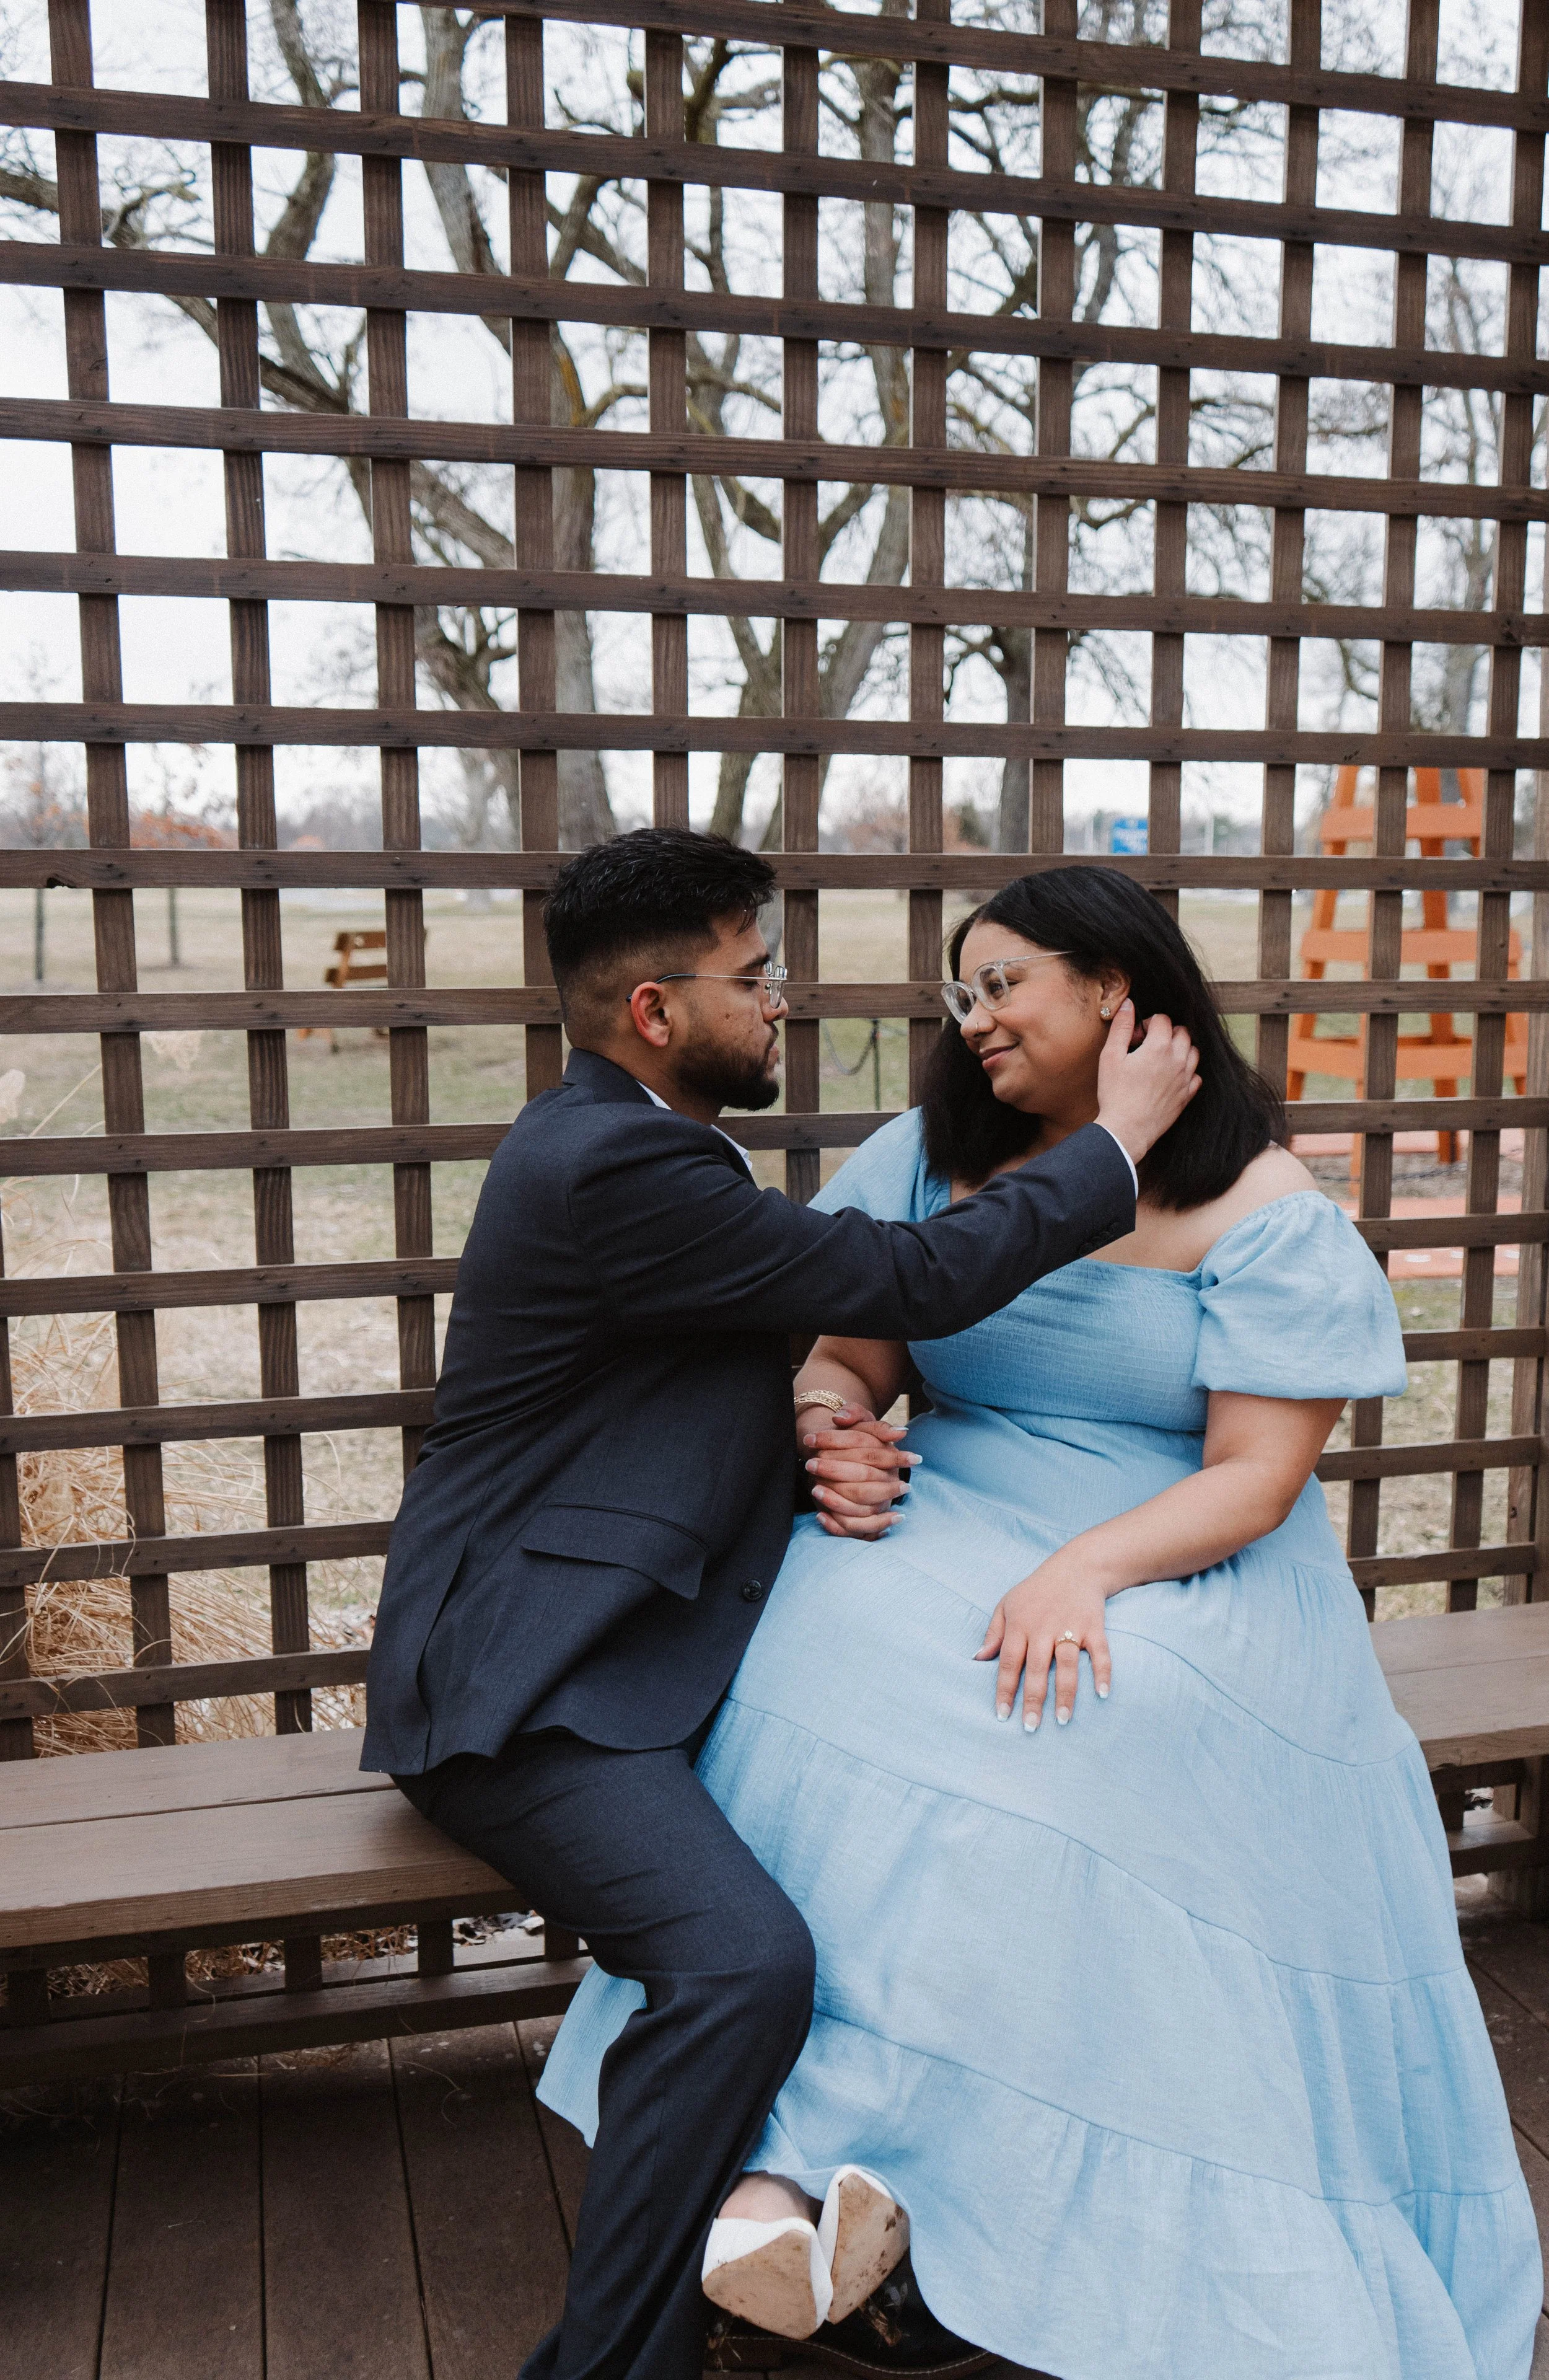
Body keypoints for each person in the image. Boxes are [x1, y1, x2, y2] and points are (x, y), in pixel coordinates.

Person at [539, 864, 1542, 2380]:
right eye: (965, 990)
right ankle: (793, 2155)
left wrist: (1085, 1571)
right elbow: (848, 1352)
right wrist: (827, 1421)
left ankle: (916, 2173)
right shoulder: (924, 1155)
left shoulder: (1265, 1209)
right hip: (954, 1507)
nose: (975, 1017)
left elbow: (1256, 1475)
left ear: (1115, 992)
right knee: (811, 1648)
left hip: (1180, 1547)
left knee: (1078, 1722)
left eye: (1004, 983)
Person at [361, 832, 1201, 2380]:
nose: (782, 1002)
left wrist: (813, 1424)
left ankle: (882, 2248)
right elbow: (910, 1281)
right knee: (740, 1966)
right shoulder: (611, 1162)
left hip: (620, 1649)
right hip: (523, 1687)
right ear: (656, 1012)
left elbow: (665, 1374)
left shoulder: (633, 1144)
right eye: (754, 978)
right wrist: (1115, 1142)